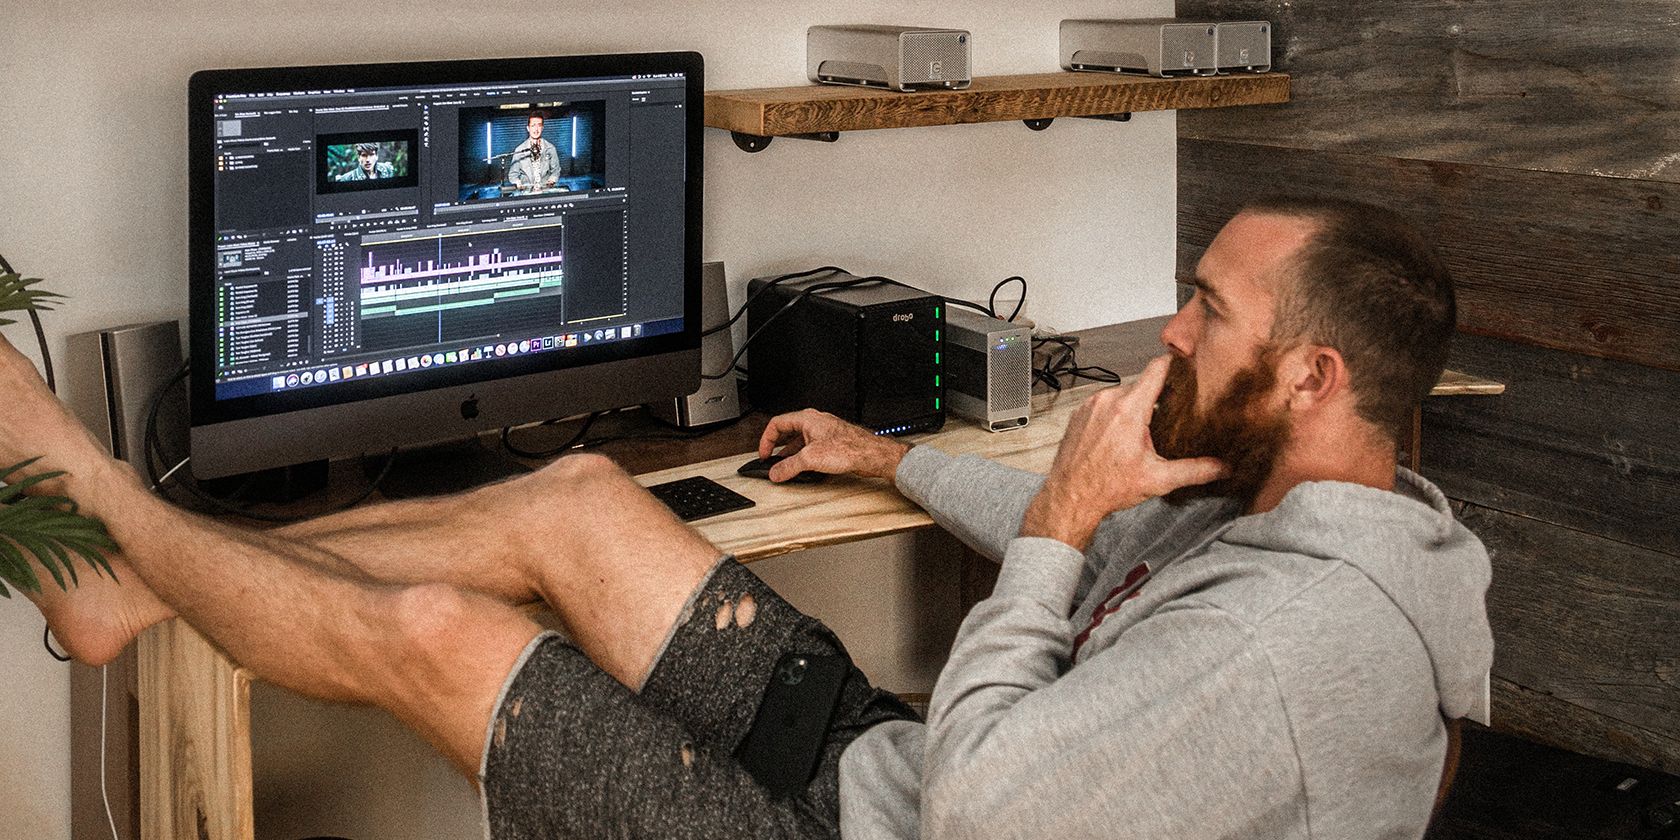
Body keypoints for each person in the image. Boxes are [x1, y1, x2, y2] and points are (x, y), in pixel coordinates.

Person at [4, 195, 1491, 840]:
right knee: (585, 498)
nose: (1169, 334)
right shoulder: (1321, 509)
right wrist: (891, 460)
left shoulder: (1285, 646)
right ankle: (131, 580)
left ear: (1312, 375)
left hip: (923, 816)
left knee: (442, 636)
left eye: (1207, 314)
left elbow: (986, 805)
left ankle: (114, 515)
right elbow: (1086, 538)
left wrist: (1051, 532)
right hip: (884, 774)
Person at [506, 112, 562, 192]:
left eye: (539, 125)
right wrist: (517, 182)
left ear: (542, 127)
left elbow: (556, 171)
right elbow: (513, 175)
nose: (536, 129)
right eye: (533, 126)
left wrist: (551, 181)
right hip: (526, 193)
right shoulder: (519, 150)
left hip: (545, 192)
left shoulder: (550, 148)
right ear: (528, 128)